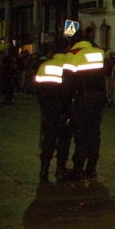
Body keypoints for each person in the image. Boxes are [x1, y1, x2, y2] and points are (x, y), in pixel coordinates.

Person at [64, 27, 107, 181]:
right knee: (94, 132)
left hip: (83, 97)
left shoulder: (73, 54)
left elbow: (67, 80)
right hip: (99, 95)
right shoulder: (99, 51)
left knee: (81, 132)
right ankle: (91, 168)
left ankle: (78, 169)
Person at [34, 39, 72, 181]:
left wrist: (44, 104)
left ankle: (44, 168)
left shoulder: (44, 66)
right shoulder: (69, 67)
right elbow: (72, 90)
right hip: (65, 108)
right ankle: (60, 168)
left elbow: (38, 88)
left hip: (49, 107)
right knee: (64, 138)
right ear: (67, 49)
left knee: (48, 138)